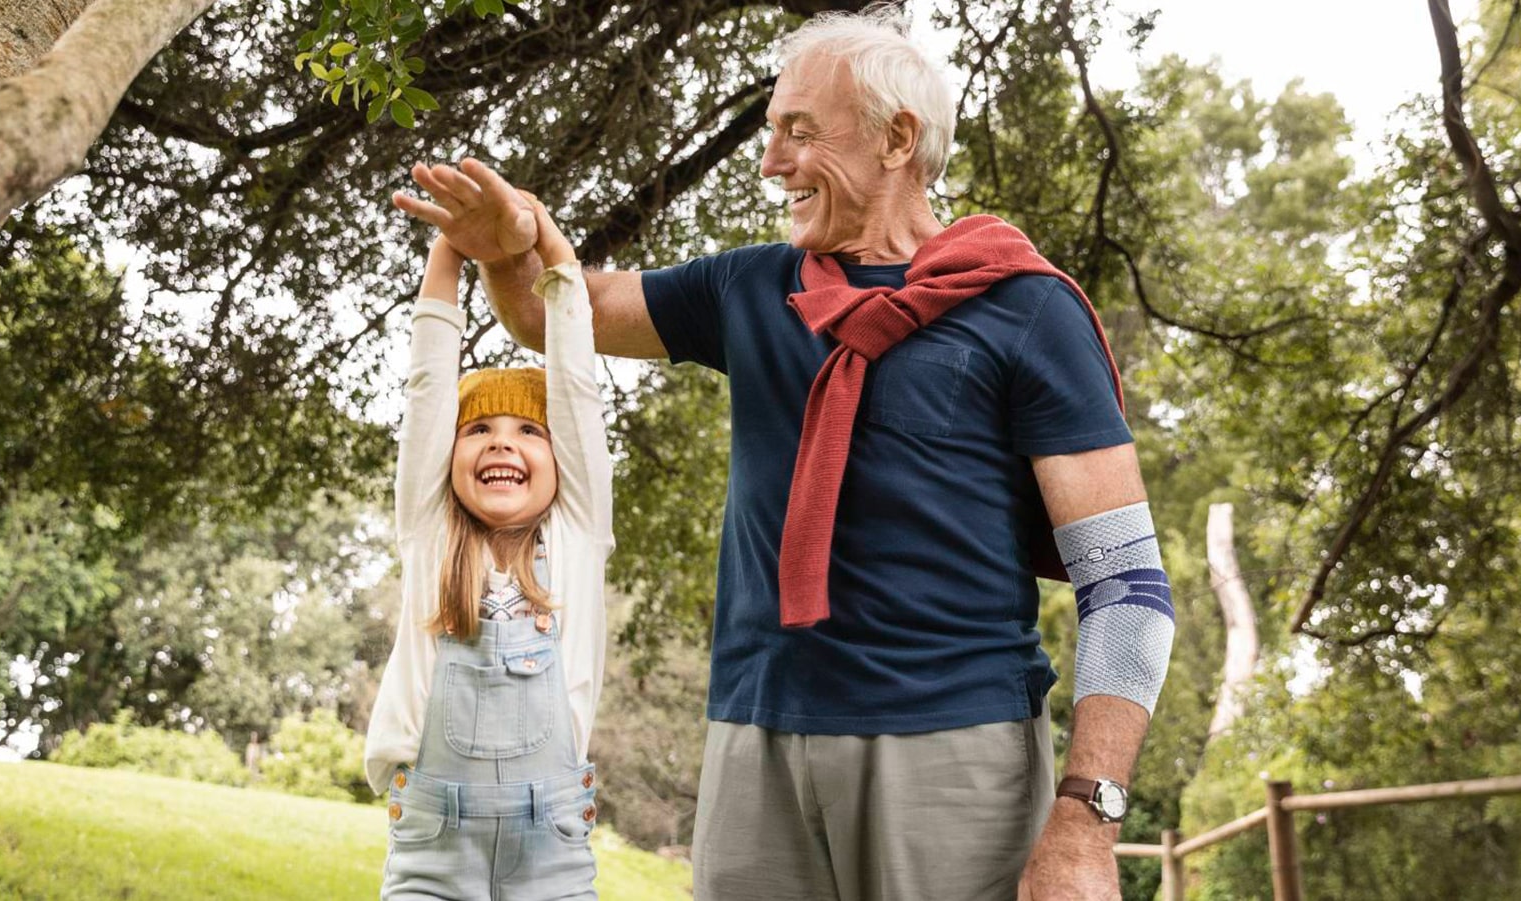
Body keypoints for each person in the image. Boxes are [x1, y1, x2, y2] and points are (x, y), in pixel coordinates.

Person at [417, 6, 1174, 899]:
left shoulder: (1027, 311)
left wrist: (1087, 820)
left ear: (898, 137)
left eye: (799, 132)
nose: (772, 161)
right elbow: (558, 312)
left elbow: (1125, 583)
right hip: (755, 740)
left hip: (956, 753)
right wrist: (509, 253)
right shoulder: (750, 287)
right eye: (772, 131)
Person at [363, 180, 613, 901]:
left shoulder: (578, 533)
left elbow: (576, 391)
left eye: (526, 431)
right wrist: (453, 245)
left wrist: (551, 252)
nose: (501, 443)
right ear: (449, 453)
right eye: (479, 430)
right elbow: (427, 388)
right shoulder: (430, 529)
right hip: (431, 854)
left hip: (555, 855)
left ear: (559, 458)